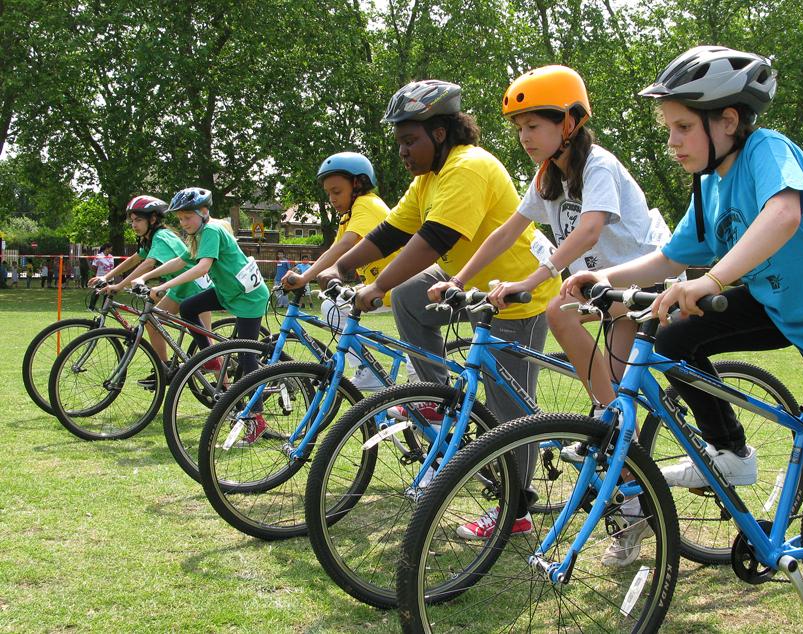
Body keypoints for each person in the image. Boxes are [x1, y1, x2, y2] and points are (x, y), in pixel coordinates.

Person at [564, 46, 803, 526]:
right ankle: (729, 451)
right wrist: (604, 277)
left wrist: (712, 280)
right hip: (780, 307)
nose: (672, 141)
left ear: (729, 121)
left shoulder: (766, 150)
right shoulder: (710, 185)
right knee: (674, 339)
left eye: (684, 126)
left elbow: (784, 214)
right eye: (668, 127)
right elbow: (671, 257)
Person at [318, 80, 559, 536]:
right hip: (462, 284)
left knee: (508, 411)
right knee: (410, 296)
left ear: (441, 133)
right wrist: (341, 268)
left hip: (515, 296)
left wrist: (377, 286)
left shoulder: (468, 166)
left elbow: (435, 239)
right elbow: (391, 232)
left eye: (410, 140)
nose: (402, 152)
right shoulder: (428, 178)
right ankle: (434, 396)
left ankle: (516, 511)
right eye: (400, 142)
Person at [430, 65, 670, 433]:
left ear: (569, 123)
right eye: (519, 128)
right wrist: (458, 280)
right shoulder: (547, 174)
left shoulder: (598, 166)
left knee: (559, 310)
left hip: (643, 280)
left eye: (533, 125)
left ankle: (607, 421)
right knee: (617, 395)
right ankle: (616, 435)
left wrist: (532, 280)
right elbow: (506, 232)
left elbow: (589, 231)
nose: (524, 137)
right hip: (604, 290)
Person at [131, 187, 271, 444]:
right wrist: (145, 276)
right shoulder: (198, 234)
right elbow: (180, 261)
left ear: (204, 212)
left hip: (248, 298)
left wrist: (163, 287)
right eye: (180, 219)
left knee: (246, 356)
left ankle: (256, 419)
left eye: (188, 217)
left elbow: (202, 267)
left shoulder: (211, 231)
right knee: (188, 307)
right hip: (228, 292)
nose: (183, 223)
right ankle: (212, 360)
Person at [285, 151, 413, 390]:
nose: (332, 199)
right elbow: (332, 253)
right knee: (331, 306)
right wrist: (305, 277)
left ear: (357, 184)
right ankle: (368, 370)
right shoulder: (348, 217)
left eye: (337, 191)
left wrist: (304, 277)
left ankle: (424, 392)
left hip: (406, 287)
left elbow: (344, 246)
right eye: (328, 194)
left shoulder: (367, 204)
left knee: (416, 357)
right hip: (382, 289)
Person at [90, 195, 214, 386]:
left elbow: (148, 263)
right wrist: (106, 278)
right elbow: (134, 259)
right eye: (132, 220)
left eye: (139, 220)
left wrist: (119, 286)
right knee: (151, 322)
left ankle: (227, 391)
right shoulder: (150, 239)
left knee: (208, 349)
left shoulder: (162, 236)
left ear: (153, 219)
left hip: (196, 287)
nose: (134, 225)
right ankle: (164, 368)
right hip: (178, 288)